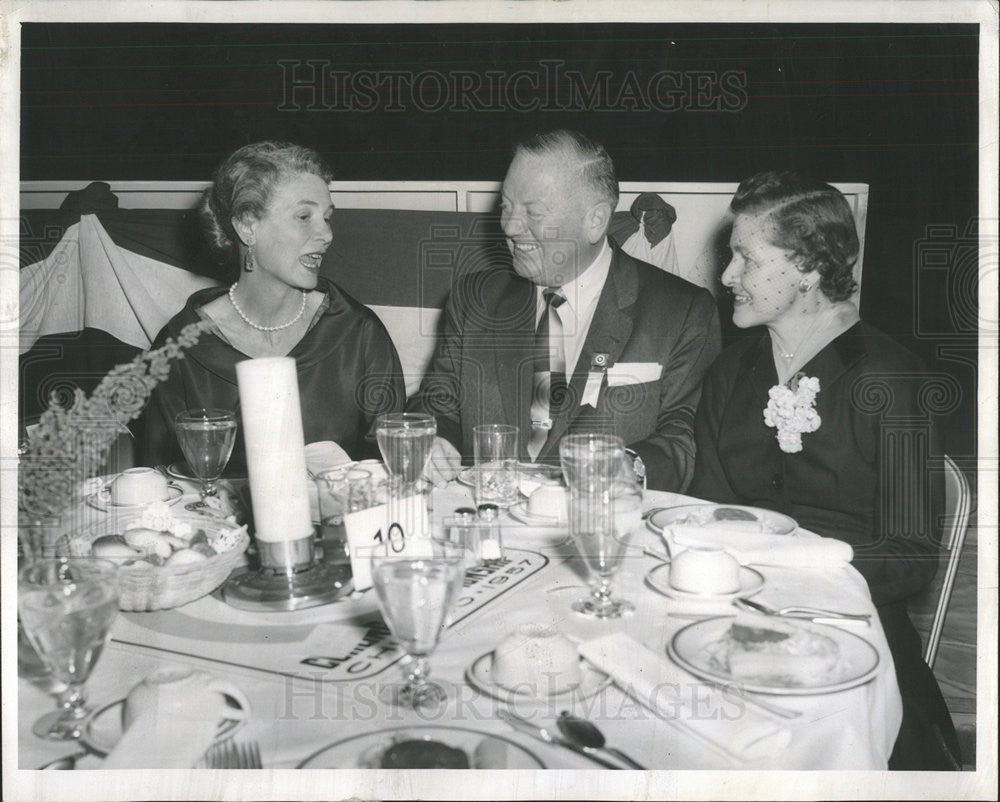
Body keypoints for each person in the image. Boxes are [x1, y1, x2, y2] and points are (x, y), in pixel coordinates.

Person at [689, 170, 960, 769]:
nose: (726, 276)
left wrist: (787, 569)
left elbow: (910, 554)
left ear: (809, 267)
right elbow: (705, 507)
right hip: (734, 614)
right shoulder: (730, 373)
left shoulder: (891, 380)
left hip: (851, 629)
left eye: (745, 258)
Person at [409, 130, 721, 492]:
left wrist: (629, 467)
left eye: (533, 212)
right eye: (506, 207)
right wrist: (431, 439)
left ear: (595, 221)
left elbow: (685, 438)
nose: (509, 226)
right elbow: (436, 401)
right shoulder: (475, 299)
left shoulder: (681, 312)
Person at [139, 141, 404, 470]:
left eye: (327, 218)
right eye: (304, 216)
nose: (326, 234)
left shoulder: (358, 332)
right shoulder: (179, 348)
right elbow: (162, 482)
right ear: (248, 226)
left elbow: (396, 464)